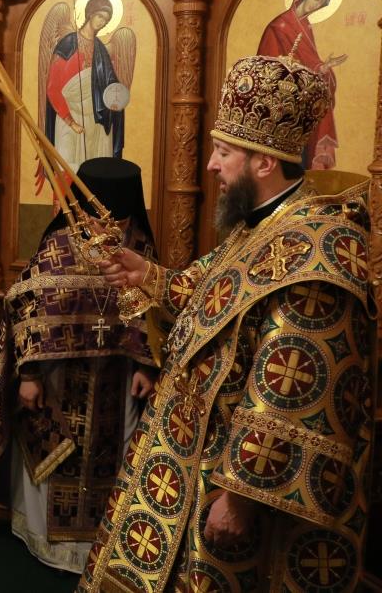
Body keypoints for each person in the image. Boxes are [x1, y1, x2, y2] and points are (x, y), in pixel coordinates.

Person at [80, 54, 371, 592]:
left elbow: (293, 390)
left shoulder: (318, 250)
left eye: (223, 152)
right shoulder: (257, 226)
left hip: (234, 480)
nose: (211, 165)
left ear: (264, 163)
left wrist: (240, 497)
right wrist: (148, 274)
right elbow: (209, 294)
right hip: (189, 450)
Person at [0, 157, 157, 573]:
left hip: (119, 380)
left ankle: (104, 544)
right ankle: (48, 543)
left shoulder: (141, 246)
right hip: (59, 379)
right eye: (103, 218)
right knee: (58, 460)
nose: (110, 228)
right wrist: (29, 375)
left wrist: (147, 366)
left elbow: (154, 313)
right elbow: (25, 308)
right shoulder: (58, 244)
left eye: (120, 219)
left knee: (117, 460)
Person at [258, 0, 346, 169]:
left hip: (302, 103)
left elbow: (309, 62)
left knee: (302, 155)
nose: (316, 6)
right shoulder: (279, 26)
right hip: (280, 101)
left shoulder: (306, 27)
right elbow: (266, 65)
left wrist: (323, 68)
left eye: (321, 4)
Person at [44, 0, 126, 173]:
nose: (102, 22)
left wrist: (115, 100)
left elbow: (111, 84)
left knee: (94, 170)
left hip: (95, 119)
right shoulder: (67, 44)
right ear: (90, 14)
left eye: (106, 20)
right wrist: (70, 121)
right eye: (100, 16)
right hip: (68, 117)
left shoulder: (101, 50)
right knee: (68, 167)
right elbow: (53, 88)